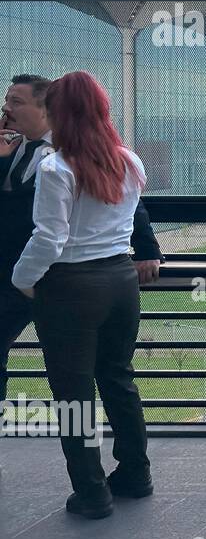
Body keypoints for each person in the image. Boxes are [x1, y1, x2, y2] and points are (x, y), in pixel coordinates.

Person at [11, 72, 154, 519]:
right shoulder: (129, 160)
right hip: (120, 281)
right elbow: (127, 223)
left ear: (58, 112)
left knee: (73, 394)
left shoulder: (57, 167)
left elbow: (49, 238)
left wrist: (22, 277)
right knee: (118, 379)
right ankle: (135, 474)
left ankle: (92, 493)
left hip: (71, 287)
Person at [1, 74, 163, 405]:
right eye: (6, 101)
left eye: (16, 101)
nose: (6, 108)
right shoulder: (11, 149)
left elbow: (126, 199)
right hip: (14, 277)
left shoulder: (69, 156)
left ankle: (93, 455)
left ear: (45, 108)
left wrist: (147, 249)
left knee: (79, 379)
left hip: (60, 278)